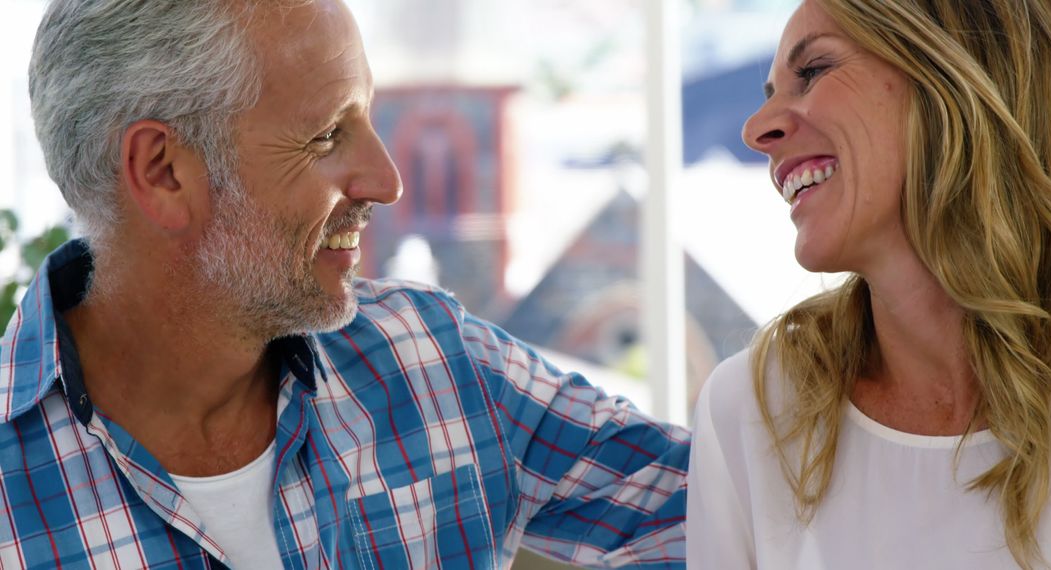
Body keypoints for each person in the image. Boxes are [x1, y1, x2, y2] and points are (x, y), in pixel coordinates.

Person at [0, 0, 690, 568]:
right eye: (329, 135)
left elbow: (726, 512)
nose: (387, 181)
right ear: (163, 171)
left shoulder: (435, 362)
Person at [687, 0, 1051, 568]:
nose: (756, 129)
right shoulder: (755, 409)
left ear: (959, 75)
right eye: (770, 92)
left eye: (814, 70)